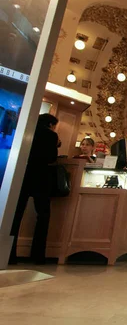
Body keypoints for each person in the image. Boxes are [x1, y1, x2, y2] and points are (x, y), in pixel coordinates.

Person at [9, 113, 59, 265]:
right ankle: (38, 255)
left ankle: (9, 254)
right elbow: (51, 158)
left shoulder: (26, 131)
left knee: (16, 216)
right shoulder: (51, 135)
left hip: (22, 176)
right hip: (41, 179)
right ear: (51, 124)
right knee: (43, 216)